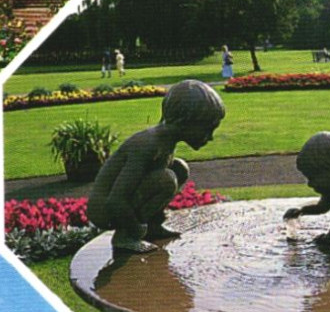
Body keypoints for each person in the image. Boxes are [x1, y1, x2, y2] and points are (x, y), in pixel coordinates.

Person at [86, 79, 226, 253]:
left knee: (179, 169)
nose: (210, 137)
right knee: (166, 179)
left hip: (118, 205)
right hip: (105, 210)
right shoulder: (148, 145)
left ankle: (152, 226)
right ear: (186, 121)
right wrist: (135, 228)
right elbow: (116, 199)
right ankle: (125, 236)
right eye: (208, 129)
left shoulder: (165, 141)